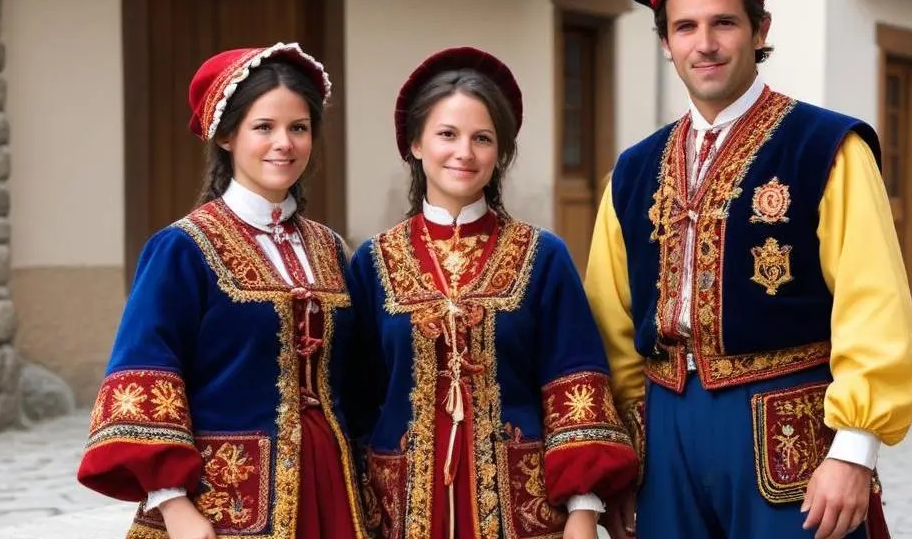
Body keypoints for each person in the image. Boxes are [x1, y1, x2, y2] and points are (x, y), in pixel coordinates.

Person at [584, 0, 912, 539]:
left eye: (724, 23)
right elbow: (609, 323)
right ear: (666, 42)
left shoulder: (826, 149)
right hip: (665, 440)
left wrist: (853, 451)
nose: (704, 43)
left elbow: (875, 305)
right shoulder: (632, 171)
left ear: (759, 28)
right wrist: (618, 455)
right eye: (685, 27)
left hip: (787, 432)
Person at [346, 47, 638, 539]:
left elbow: (574, 385)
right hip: (401, 510)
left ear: (500, 152)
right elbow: (355, 396)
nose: (464, 152)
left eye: (482, 138)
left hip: (524, 510)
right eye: (447, 135)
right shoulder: (372, 262)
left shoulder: (542, 256)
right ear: (415, 143)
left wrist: (584, 513)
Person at [77, 42, 367, 539]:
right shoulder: (183, 248)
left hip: (333, 490)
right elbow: (146, 377)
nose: (285, 143)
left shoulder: (332, 249)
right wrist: (173, 504)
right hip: (222, 503)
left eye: (299, 128)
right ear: (227, 135)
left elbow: (358, 379)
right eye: (264, 127)